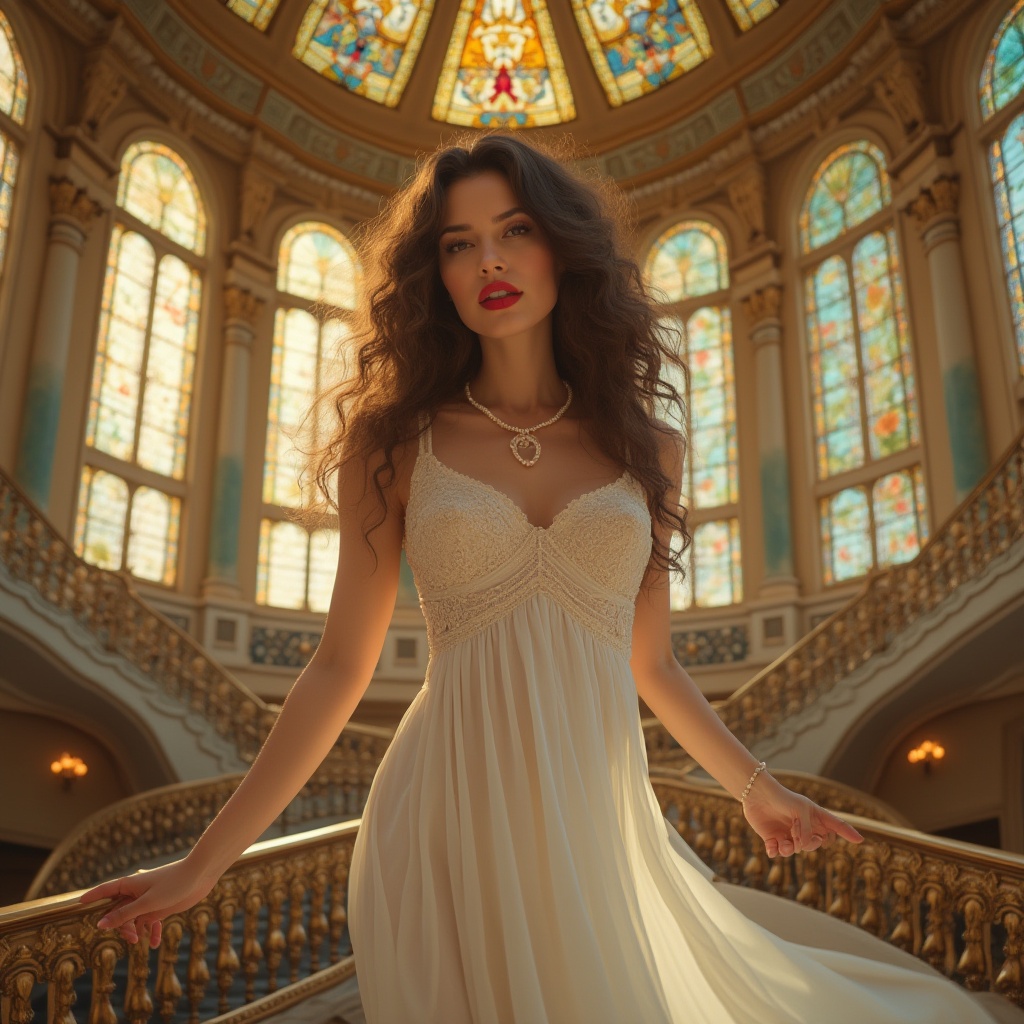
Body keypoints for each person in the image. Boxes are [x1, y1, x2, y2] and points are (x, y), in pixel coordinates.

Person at [81, 131, 1011, 1023]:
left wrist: (754, 785)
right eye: (460, 244)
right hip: (440, 818)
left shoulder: (649, 448)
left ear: (562, 250)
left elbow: (654, 665)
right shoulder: (395, 440)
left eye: (515, 230)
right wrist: (205, 866)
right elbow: (336, 669)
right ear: (435, 275)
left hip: (594, 823)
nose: (490, 261)